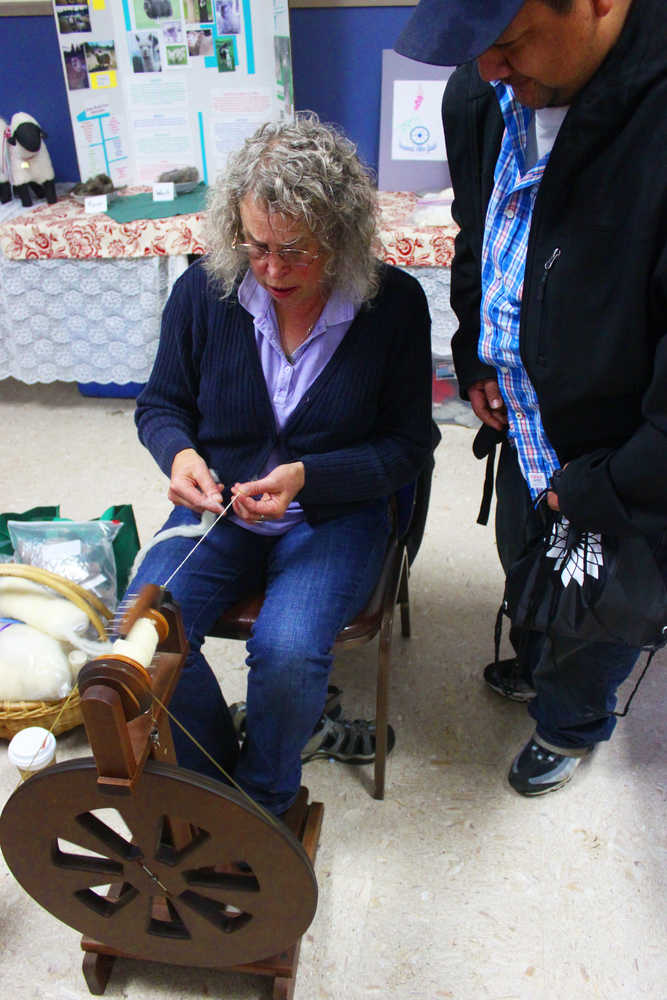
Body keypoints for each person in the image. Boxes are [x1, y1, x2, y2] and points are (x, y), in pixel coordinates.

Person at [128, 113, 437, 816]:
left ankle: (263, 804)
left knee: (290, 651)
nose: (270, 269)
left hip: (333, 515)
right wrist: (178, 455)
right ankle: (218, 784)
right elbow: (161, 404)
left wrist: (309, 477)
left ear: (342, 234)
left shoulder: (391, 308)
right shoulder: (203, 294)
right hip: (221, 508)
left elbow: (406, 449)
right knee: (143, 634)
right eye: (256, 244)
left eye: (295, 249)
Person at [395, 0, 667, 794]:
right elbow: (477, 229)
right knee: (523, 552)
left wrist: (610, 486)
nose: (486, 69)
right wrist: (475, 353)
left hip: (625, 446)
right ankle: (543, 658)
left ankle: (571, 721)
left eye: (507, 43)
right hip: (522, 412)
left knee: (598, 601)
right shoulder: (483, 93)